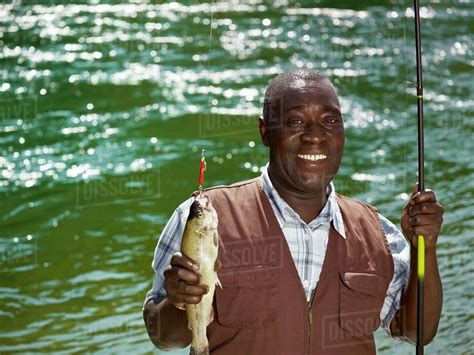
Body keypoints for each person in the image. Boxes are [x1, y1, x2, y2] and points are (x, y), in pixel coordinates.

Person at [143, 69, 443, 354]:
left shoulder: (379, 233)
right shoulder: (202, 219)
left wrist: (424, 249)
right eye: (296, 122)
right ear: (265, 131)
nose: (315, 135)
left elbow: (417, 332)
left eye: (329, 121)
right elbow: (163, 338)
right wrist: (178, 302)